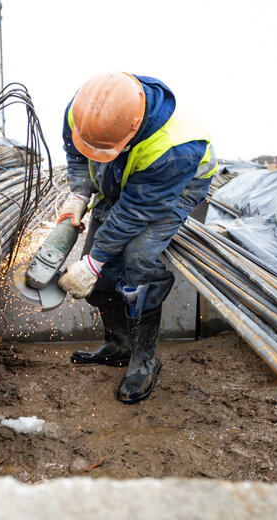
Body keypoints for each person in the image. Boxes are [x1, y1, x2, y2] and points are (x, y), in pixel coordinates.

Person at [57, 72, 217, 404]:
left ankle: (145, 360)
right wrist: (78, 194)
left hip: (177, 184)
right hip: (127, 175)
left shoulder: (175, 147)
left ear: (129, 134)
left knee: (137, 257)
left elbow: (135, 212)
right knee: (99, 276)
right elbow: (75, 154)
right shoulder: (83, 111)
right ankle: (120, 344)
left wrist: (94, 261)